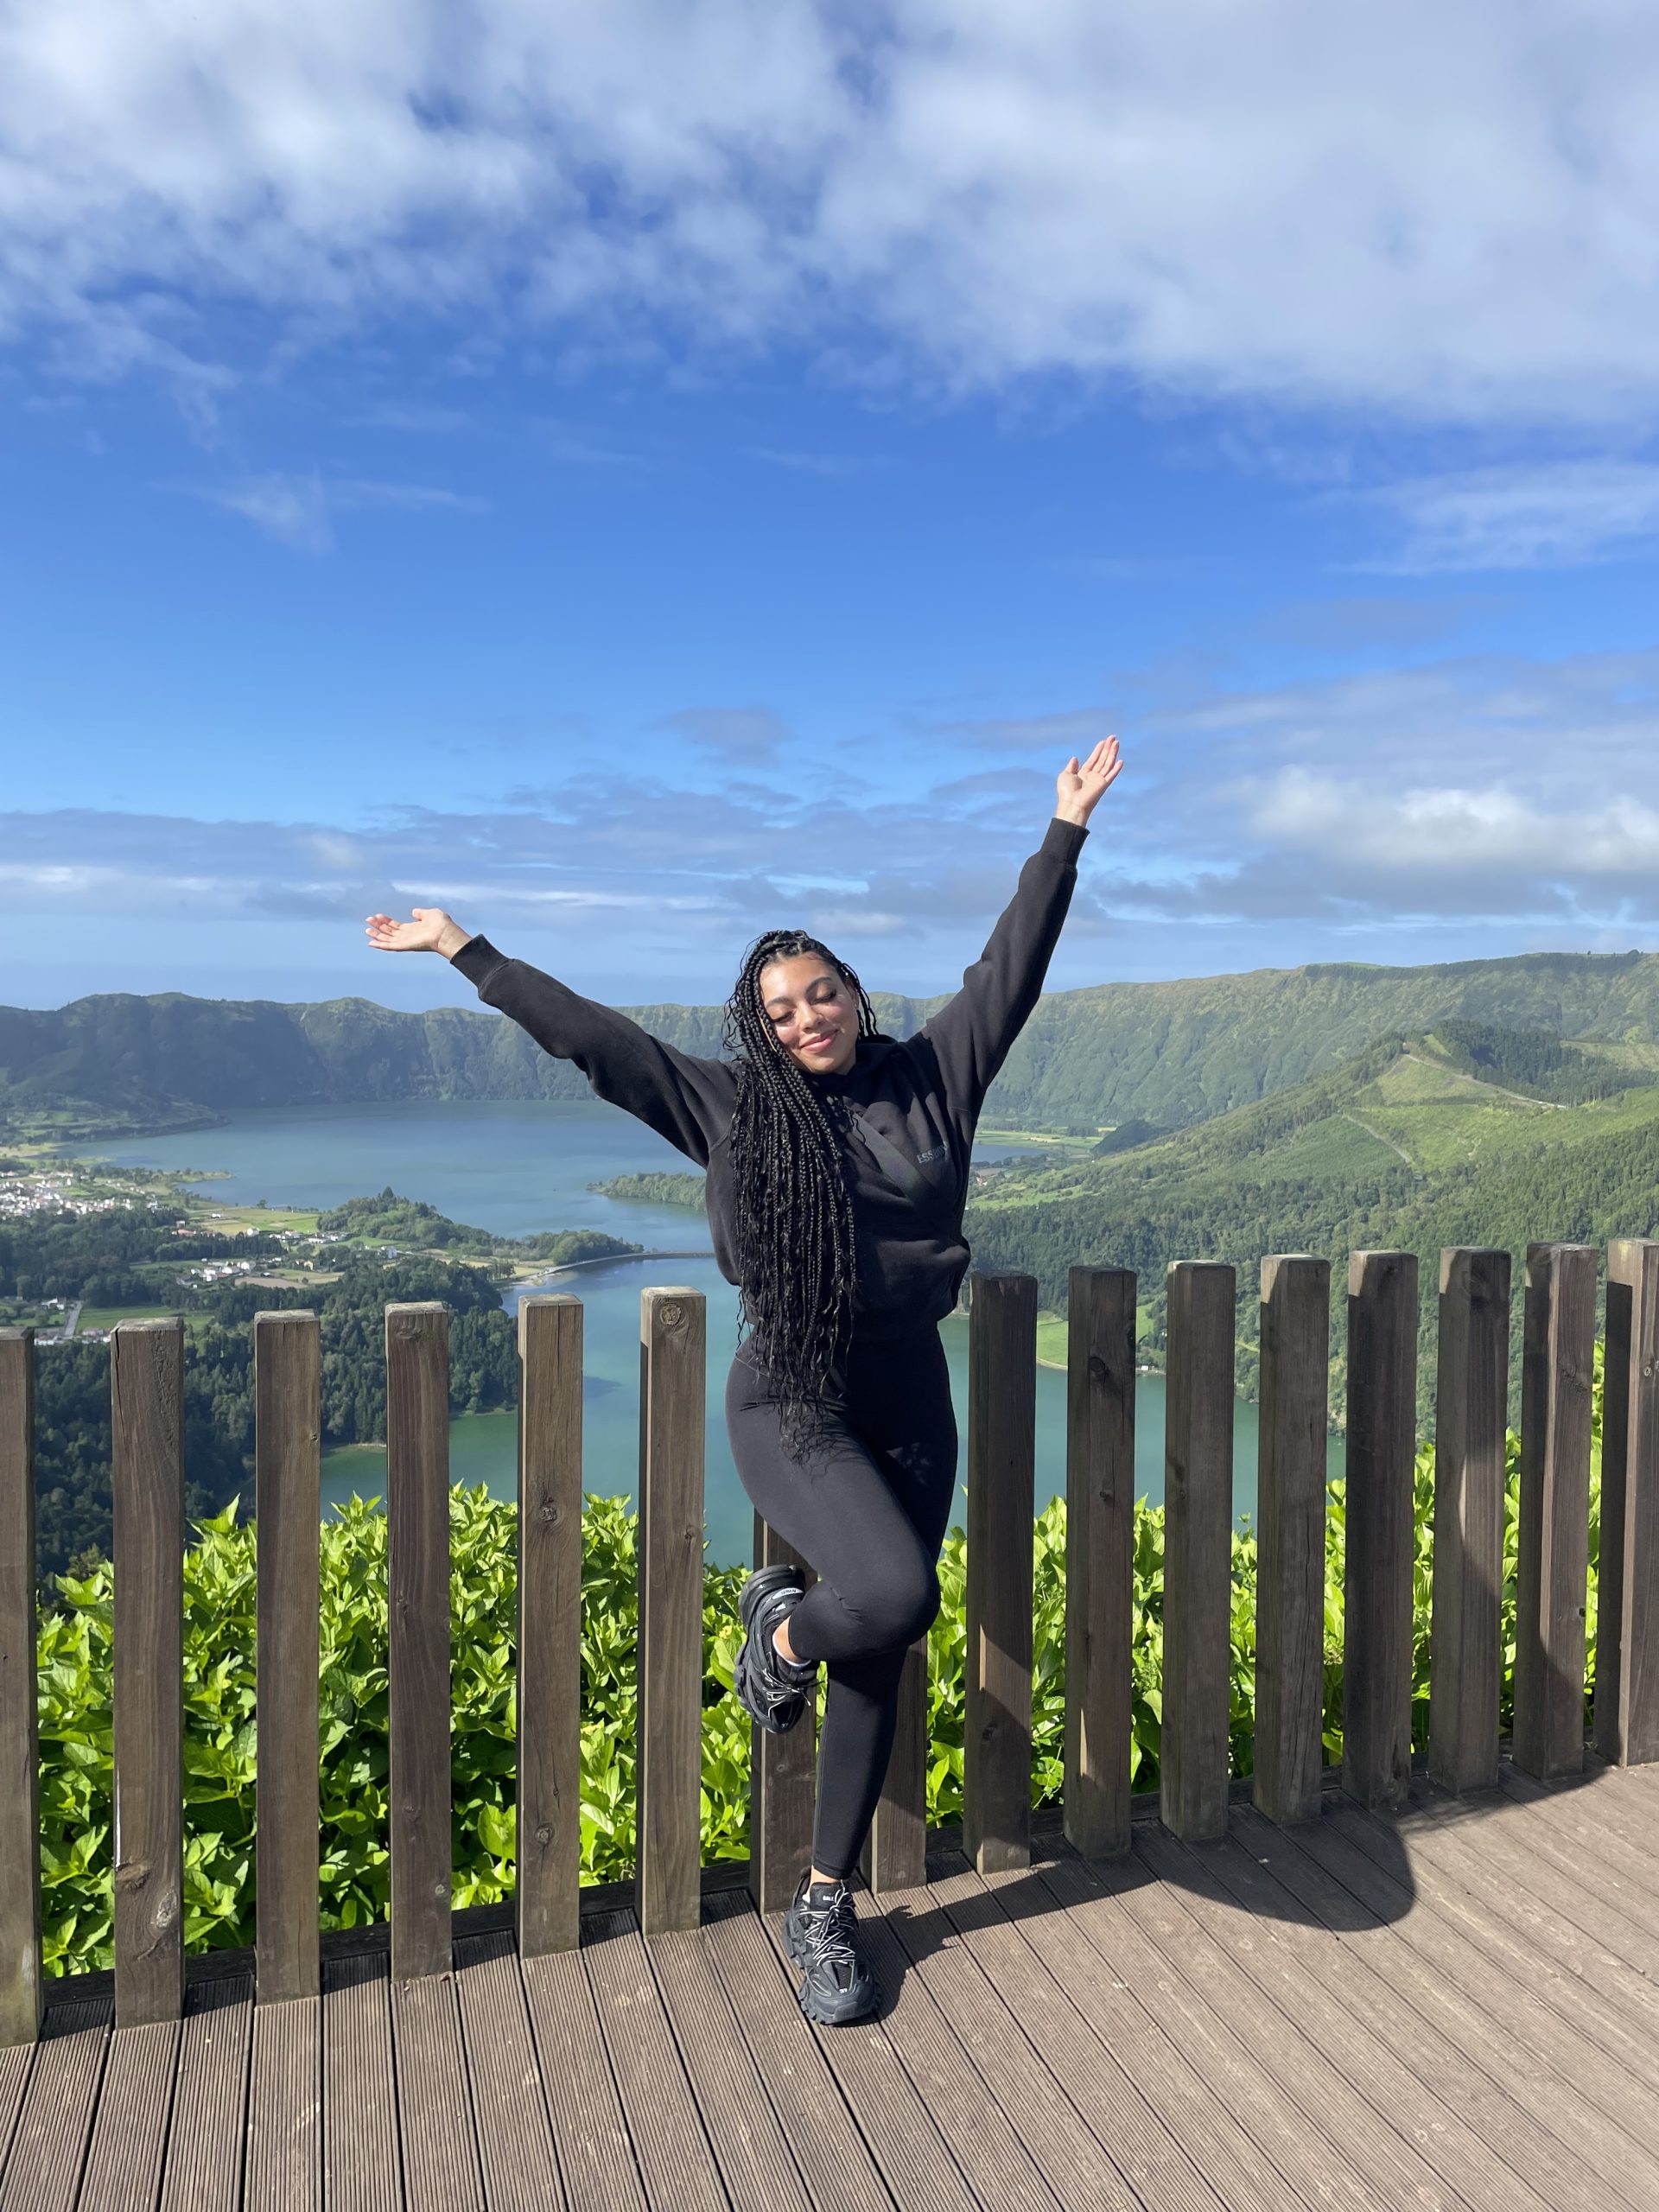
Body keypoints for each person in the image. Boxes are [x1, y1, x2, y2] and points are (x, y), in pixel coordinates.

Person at [365, 735, 1122, 2022]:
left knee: (881, 1636)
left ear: (853, 994)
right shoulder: (728, 1107)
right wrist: (464, 948)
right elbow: (596, 1043)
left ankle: (822, 1902)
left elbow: (1012, 967)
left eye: (822, 994)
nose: (807, 1017)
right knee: (892, 1591)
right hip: (792, 1393)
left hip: (907, 1391)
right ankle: (776, 1629)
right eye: (780, 1010)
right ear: (758, 1028)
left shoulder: (933, 1077)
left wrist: (1066, 832)